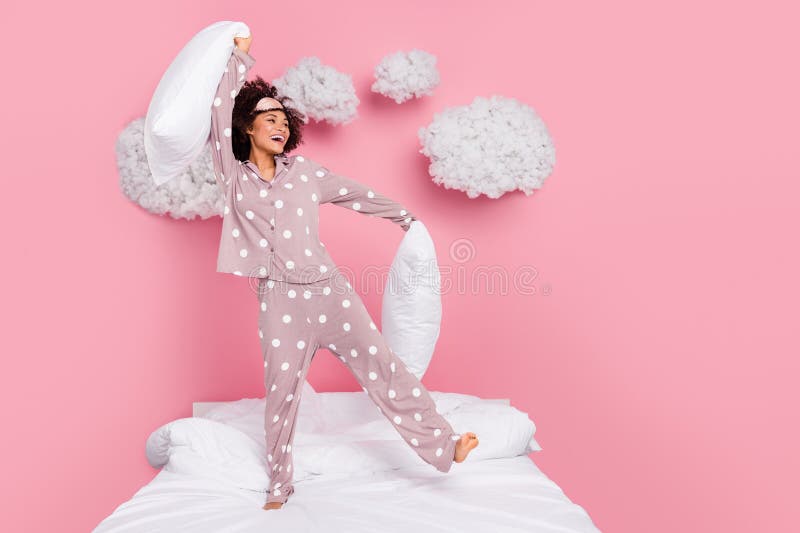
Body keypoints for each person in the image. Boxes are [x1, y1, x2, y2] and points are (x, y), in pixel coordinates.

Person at [209, 34, 479, 511]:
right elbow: (218, 111)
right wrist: (238, 56)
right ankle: (279, 484)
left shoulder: (307, 174)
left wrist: (405, 218)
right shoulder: (233, 175)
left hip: (331, 293)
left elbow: (359, 195)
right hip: (280, 301)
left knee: (384, 368)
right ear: (246, 128)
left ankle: (442, 444)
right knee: (282, 393)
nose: (277, 124)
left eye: (282, 118)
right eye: (266, 117)